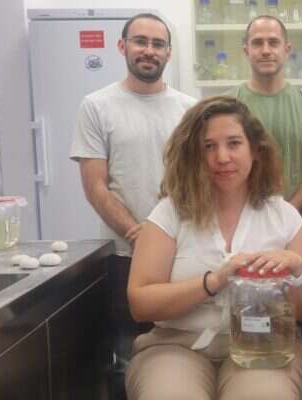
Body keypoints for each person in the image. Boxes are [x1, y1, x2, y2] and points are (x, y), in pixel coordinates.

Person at [124, 96, 302, 400]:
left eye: (234, 143)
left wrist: (297, 269)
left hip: (266, 345)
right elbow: (140, 303)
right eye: (209, 146)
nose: (222, 157)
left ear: (255, 150)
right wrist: (213, 282)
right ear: (194, 154)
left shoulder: (283, 216)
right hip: (175, 345)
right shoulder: (169, 213)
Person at [70, 13, 197, 369]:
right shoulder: (96, 106)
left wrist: (163, 241)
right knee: (129, 357)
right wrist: (137, 234)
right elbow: (95, 186)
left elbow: (198, 181)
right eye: (140, 41)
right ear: (122, 46)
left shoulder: (190, 110)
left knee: (184, 352)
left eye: (158, 44)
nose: (149, 50)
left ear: (169, 52)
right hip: (124, 256)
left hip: (182, 253)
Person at [228, 15, 302, 400]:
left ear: (287, 49)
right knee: (251, 321)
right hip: (242, 239)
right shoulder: (230, 104)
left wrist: (284, 215)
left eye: (273, 42)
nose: (266, 49)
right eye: (257, 42)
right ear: (246, 50)